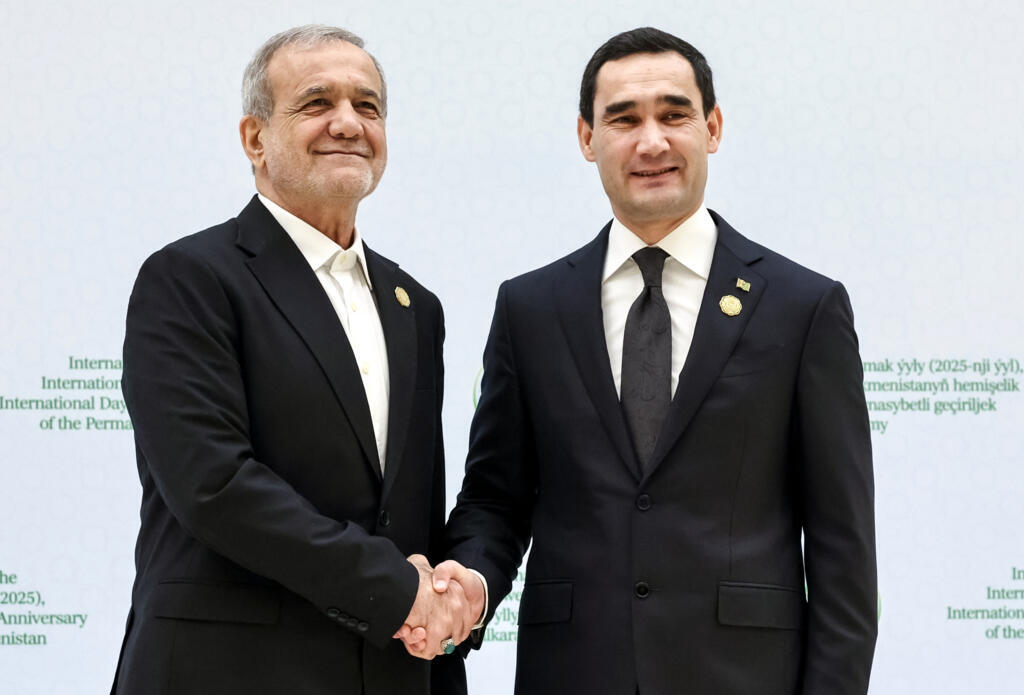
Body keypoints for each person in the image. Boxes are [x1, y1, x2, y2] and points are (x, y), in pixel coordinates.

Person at [437, 27, 878, 695]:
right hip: (573, 674)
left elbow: (843, 550)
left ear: (713, 127)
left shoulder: (803, 307)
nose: (651, 141)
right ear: (587, 137)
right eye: (624, 118)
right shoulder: (531, 307)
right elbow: (496, 498)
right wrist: (467, 580)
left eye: (674, 114)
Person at [110, 24, 475, 695]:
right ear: (255, 139)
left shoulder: (415, 306)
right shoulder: (190, 278)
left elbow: (412, 514)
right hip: (227, 673)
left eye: (368, 107)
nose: (348, 122)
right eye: (316, 103)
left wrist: (446, 616)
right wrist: (395, 587)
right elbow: (213, 483)